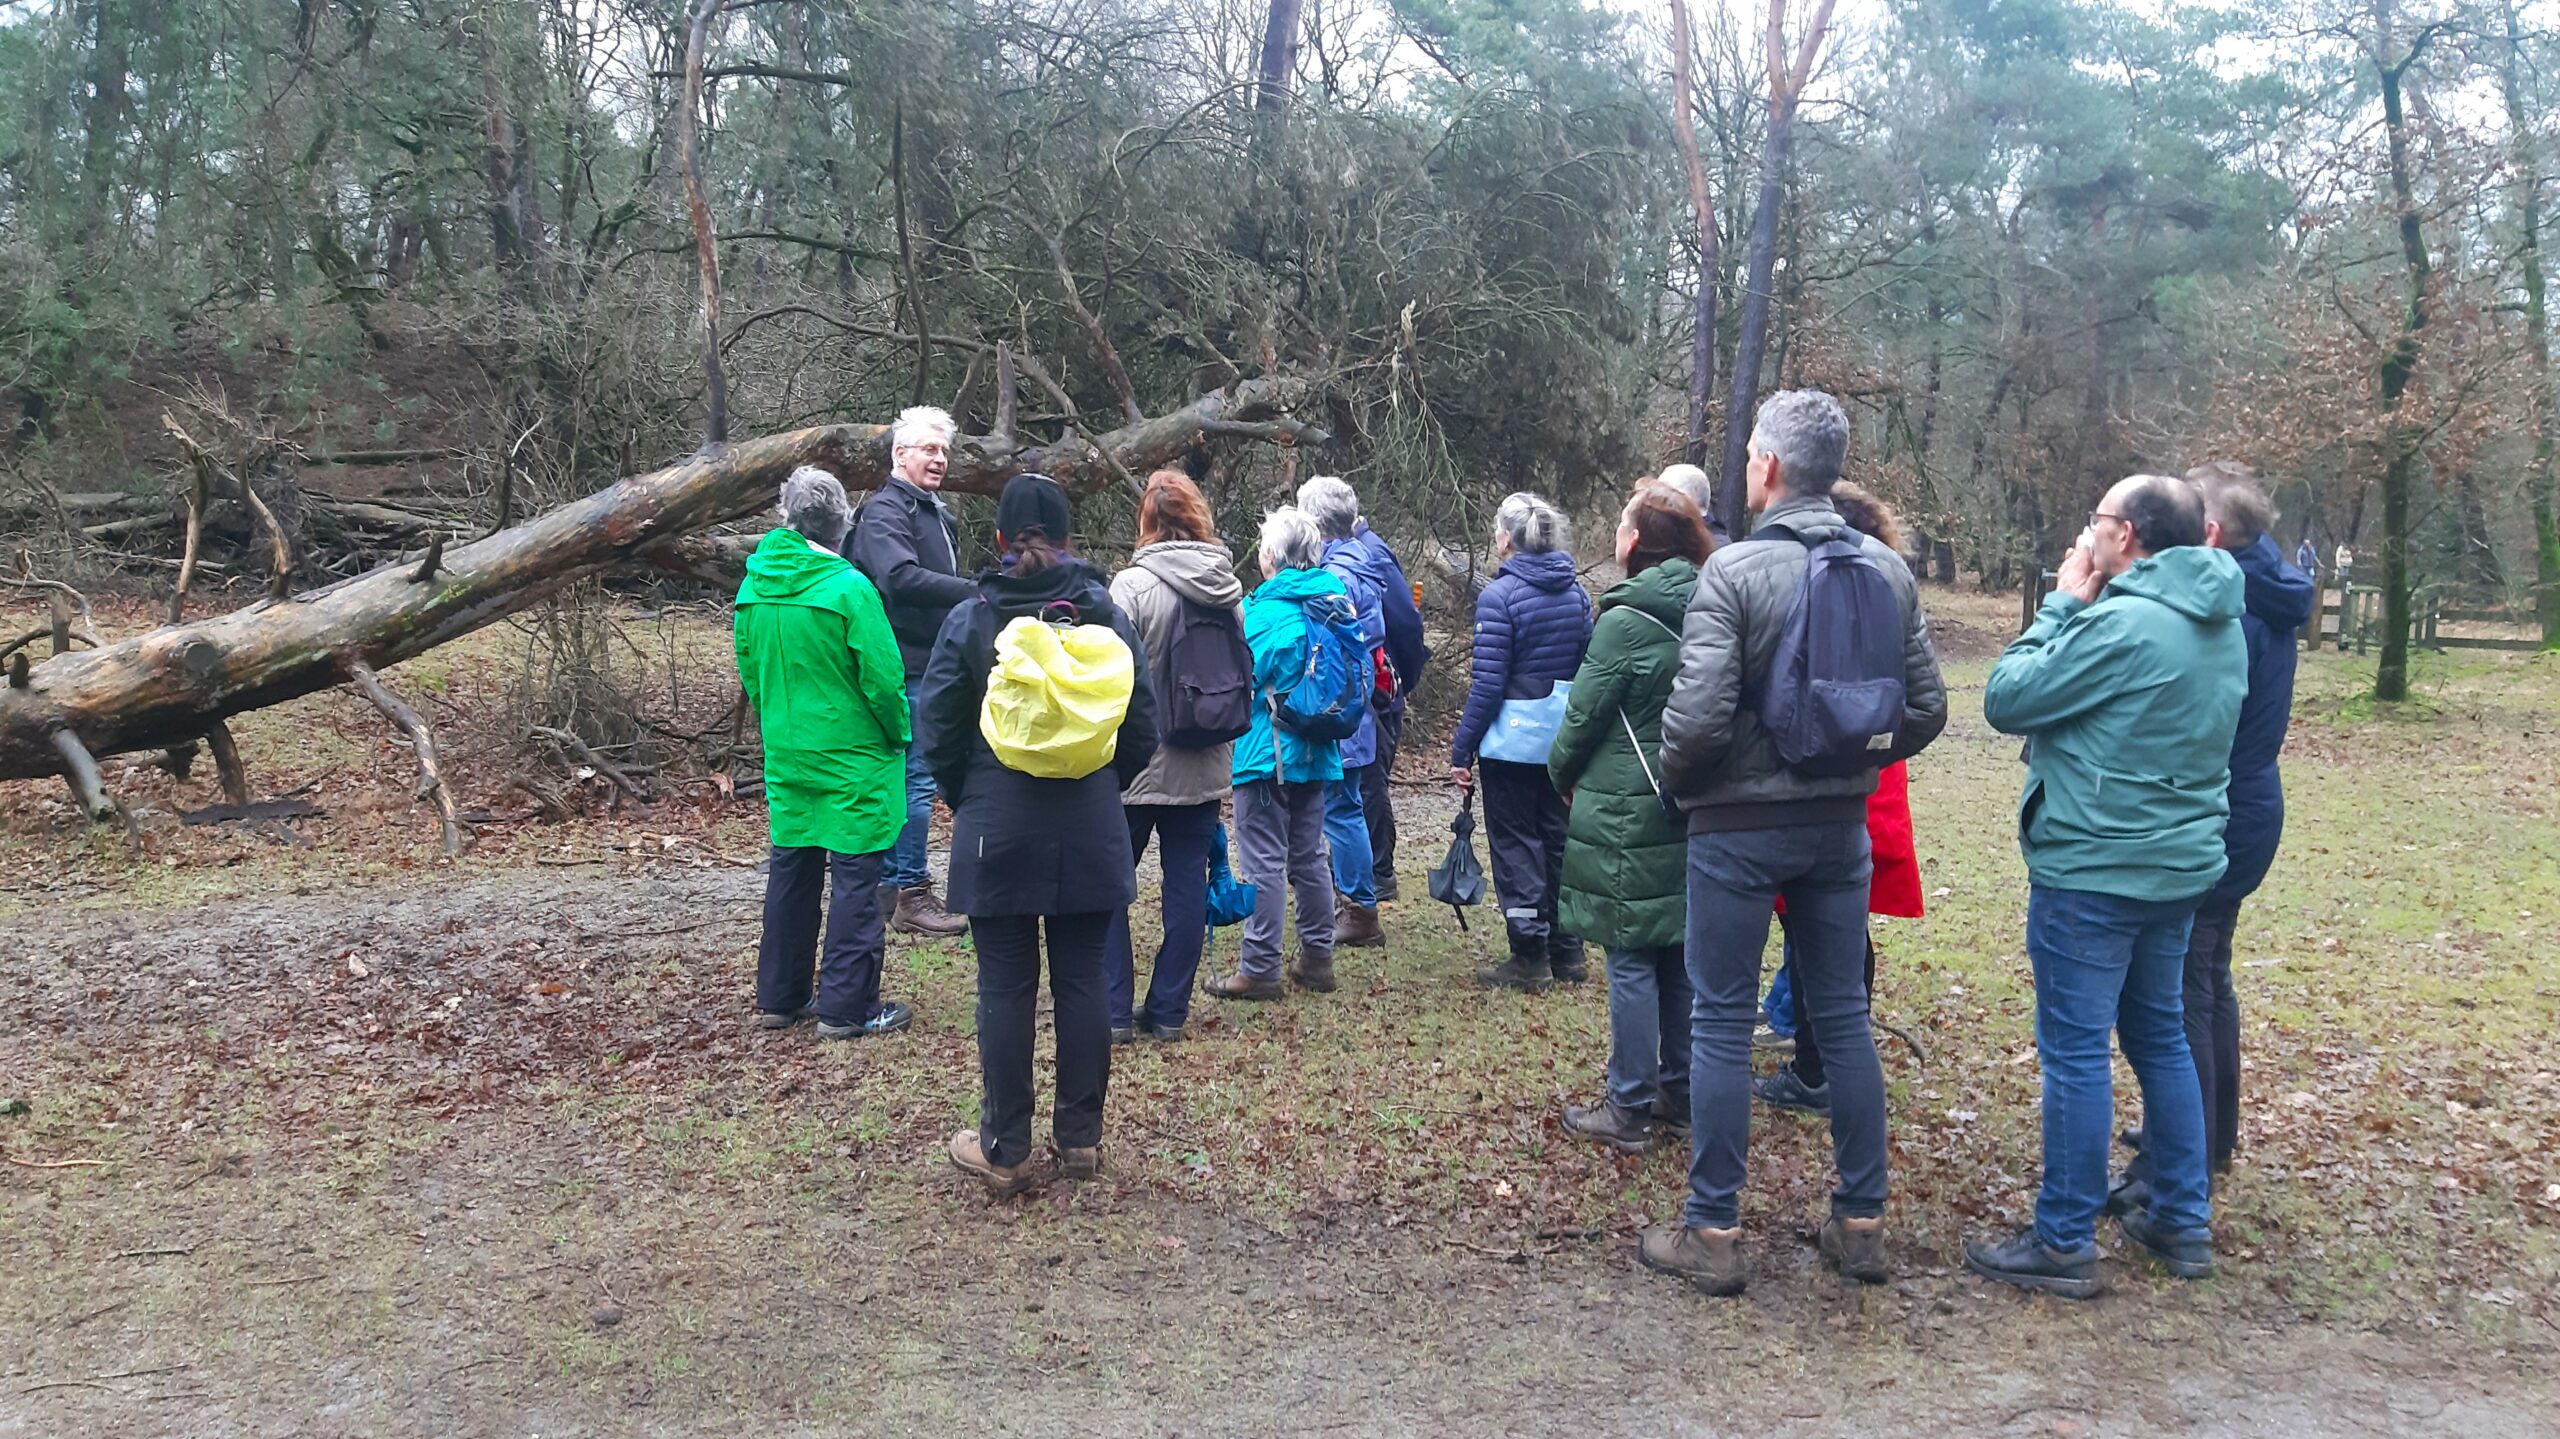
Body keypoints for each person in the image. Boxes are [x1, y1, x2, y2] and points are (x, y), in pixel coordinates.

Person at [1647, 389, 1947, 1297]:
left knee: (1721, 1020)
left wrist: (1682, 786)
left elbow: (1694, 721)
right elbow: (1927, 708)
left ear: (1769, 469)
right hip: (1839, 828)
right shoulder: (1890, 574)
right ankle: (1861, 1224)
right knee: (1845, 1019)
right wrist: (1854, 759)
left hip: (1735, 830)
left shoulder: (1732, 574)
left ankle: (1715, 1228)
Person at [1964, 473, 2245, 1298]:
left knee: (2077, 1049)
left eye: (2096, 521)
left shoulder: (2123, 623)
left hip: (2095, 867)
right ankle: (2180, 1218)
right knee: (2160, 1035)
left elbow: (2009, 698)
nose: (2086, 534)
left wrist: (2059, 605)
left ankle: (2062, 1239)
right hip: (2177, 866)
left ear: (2127, 536)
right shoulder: (2219, 617)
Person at [915, 474, 1159, 1195]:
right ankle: (1080, 1141)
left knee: (1006, 982)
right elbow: (1142, 725)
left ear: (996, 538)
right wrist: (1096, 784)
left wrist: (973, 793)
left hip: (998, 824)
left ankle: (1005, 1147)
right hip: (1088, 819)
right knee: (1084, 978)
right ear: (1069, 539)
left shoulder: (973, 617)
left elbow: (937, 727)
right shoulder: (1106, 617)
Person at [2111, 464, 2313, 1205]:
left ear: (2213, 534)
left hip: (2230, 806)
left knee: (2182, 990)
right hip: (2251, 803)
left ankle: (2179, 1160)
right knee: (2208, 975)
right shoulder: (2264, 589)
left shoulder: (2236, 606)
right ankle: (2208, 1132)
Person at [1755, 483, 1929, 1116]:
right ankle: (1824, 1057)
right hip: (1870, 779)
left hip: (1840, 785)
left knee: (1820, 934)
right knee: (1833, 933)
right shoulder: (1885, 593)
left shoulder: (1839, 596)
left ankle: (1816, 1067)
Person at [1553, 482, 1715, 1153]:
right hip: (1690, 799)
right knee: (1676, 952)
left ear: (1637, 541)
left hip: (1626, 805)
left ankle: (1627, 1105)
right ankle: (1678, 1090)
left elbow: (1583, 715)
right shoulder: (1713, 604)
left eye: (1622, 524)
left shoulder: (1624, 620)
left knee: (1627, 956)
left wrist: (1560, 773)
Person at [735, 469, 917, 1039]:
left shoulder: (753, 588)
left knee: (792, 871)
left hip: (789, 752)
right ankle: (848, 1007)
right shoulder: (849, 589)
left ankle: (780, 998)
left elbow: (752, 674)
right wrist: (899, 734)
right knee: (857, 882)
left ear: (786, 517)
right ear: (842, 521)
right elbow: (885, 681)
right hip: (853, 756)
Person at [1104, 470, 1244, 1044]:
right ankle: (1168, 1011)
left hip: (1136, 762)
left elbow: (1109, 676)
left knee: (1111, 886)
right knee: (1186, 884)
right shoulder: (1228, 587)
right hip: (1205, 758)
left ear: (1146, 519)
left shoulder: (1130, 588)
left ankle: (1112, 1011)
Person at [1450, 492, 1595, 991]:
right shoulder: (1577, 594)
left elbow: (1488, 685)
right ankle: (1567, 948)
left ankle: (1529, 953)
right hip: (1561, 738)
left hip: (1511, 743)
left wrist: (1461, 747)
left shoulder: (1499, 597)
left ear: (1507, 539)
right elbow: (1586, 667)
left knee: (1515, 844)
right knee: (1557, 839)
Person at [1206, 507, 1349, 1001]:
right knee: (1309, 856)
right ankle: (1318, 957)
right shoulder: (1332, 603)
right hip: (1319, 750)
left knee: (1263, 860)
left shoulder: (1263, 614)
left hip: (1266, 755)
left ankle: (1260, 966)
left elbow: (1235, 677)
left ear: (1272, 555)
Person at [849, 405, 974, 939]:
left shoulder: (932, 510)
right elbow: (898, 578)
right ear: (900, 455)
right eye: (928, 449)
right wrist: (974, 592)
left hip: (929, 659)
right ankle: (910, 893)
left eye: (944, 450)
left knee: (910, 778)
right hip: (903, 663)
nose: (939, 459)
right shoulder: (885, 512)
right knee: (915, 780)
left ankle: (889, 888)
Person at [1299, 476, 1430, 912]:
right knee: (1352, 797)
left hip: (1355, 702)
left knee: (1349, 799)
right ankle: (1361, 890)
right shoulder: (1361, 556)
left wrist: (1396, 685)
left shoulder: (1341, 572)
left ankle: (1363, 893)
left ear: (1315, 524)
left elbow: (1402, 627)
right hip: (1368, 696)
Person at [1297, 476, 1386, 948]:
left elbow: (1331, 652)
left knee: (1342, 808)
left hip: (1341, 708)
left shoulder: (1339, 576)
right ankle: (1353, 901)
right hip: (1355, 705)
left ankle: (1359, 909)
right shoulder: (1358, 563)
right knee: (1342, 806)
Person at [1654, 462, 1732, 543]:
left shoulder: (1709, 548)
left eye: (1662, 498)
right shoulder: (1706, 540)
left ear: (1684, 501)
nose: (1656, 505)